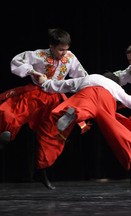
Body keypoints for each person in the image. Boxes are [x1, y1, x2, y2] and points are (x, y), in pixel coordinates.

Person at [37, 73, 131, 187]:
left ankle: (75, 112)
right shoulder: (115, 87)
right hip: (106, 99)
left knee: (81, 107)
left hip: (87, 93)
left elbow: (62, 85)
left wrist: (45, 83)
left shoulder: (89, 78)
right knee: (116, 131)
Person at [0, 28, 88, 189]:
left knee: (52, 134)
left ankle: (42, 170)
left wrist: (87, 86)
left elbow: (81, 75)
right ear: (51, 46)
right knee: (11, 113)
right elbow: (16, 61)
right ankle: (4, 135)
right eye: (61, 49)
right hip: (36, 94)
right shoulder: (39, 55)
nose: (64, 53)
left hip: (55, 98)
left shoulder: (70, 57)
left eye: (66, 49)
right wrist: (33, 72)